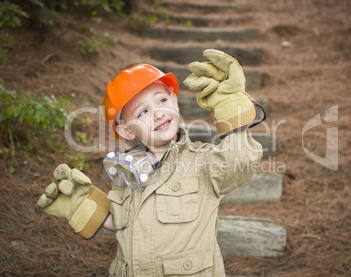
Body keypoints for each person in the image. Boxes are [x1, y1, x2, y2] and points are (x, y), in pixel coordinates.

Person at [37, 49, 266, 276]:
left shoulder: (203, 162)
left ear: (175, 102)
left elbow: (240, 160)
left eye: (162, 100)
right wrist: (82, 206)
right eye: (143, 111)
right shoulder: (126, 173)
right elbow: (122, 222)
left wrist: (229, 106)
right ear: (126, 131)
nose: (157, 113)